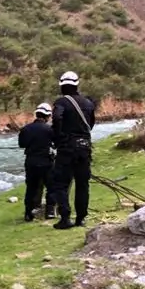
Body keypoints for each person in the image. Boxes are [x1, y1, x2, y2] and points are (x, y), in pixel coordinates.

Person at [49, 71, 97, 230]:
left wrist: (59, 137)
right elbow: (90, 124)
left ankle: (65, 217)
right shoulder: (88, 103)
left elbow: (56, 118)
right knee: (83, 184)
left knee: (60, 183)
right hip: (84, 147)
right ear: (77, 84)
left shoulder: (61, 102)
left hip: (67, 149)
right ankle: (81, 218)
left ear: (62, 86)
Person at [18, 102, 55, 222]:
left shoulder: (25, 129)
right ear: (47, 116)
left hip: (31, 162)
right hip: (46, 162)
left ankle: (28, 213)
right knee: (51, 186)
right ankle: (50, 211)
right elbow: (56, 144)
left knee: (31, 188)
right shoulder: (49, 129)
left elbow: (21, 144)